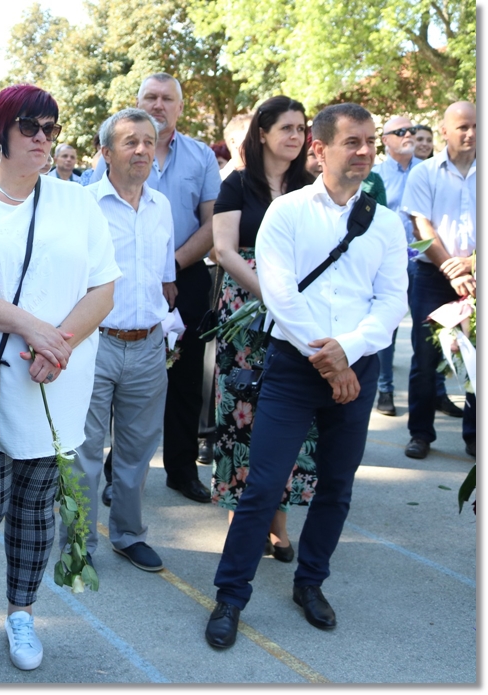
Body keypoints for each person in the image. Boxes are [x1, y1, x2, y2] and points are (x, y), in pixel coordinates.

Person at [0, 83, 119, 672]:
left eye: (51, 128)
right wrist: (33, 326)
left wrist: (58, 344)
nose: (42, 138)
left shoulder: (76, 202)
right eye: (29, 126)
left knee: (36, 512)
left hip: (54, 381)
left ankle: (21, 613)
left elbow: (103, 288)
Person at [205, 103, 408, 649]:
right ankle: (230, 596)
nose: (365, 151)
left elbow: (392, 301)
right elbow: (280, 294)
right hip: (296, 366)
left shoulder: (386, 222)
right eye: (352, 142)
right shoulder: (287, 212)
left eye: (370, 141)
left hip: (355, 366)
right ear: (320, 150)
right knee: (264, 484)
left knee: (337, 486)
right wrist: (328, 356)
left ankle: (310, 582)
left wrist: (349, 351)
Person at [209, 95, 317, 564]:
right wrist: (269, 294)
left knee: (291, 413)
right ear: (263, 133)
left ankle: (279, 520)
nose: (295, 136)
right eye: (286, 128)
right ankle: (243, 517)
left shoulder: (310, 186)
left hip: (297, 310)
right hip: (247, 309)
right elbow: (224, 250)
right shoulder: (237, 184)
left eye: (301, 128)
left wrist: (289, 302)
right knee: (242, 413)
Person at [73, 108, 173, 573]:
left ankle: (129, 535)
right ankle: (79, 546)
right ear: (105, 152)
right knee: (85, 453)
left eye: (149, 141)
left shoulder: (162, 206)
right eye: (130, 141)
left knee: (136, 452)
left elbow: (163, 278)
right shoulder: (82, 206)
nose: (142, 150)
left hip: (149, 345)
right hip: (95, 343)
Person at [136, 72, 222, 504]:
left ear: (180, 107)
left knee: (186, 379)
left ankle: (182, 470)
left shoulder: (201, 156)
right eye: (150, 97)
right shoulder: (116, 150)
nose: (158, 105)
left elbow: (213, 223)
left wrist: (171, 265)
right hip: (131, 277)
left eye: (167, 98)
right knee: (130, 376)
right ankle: (121, 471)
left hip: (184, 274)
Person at [401, 101, 477, 459]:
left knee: (478, 358)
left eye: (476, 125)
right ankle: (420, 433)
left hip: (477, 274)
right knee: (426, 358)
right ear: (444, 130)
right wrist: (451, 267)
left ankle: (476, 436)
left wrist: (472, 264)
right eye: (463, 127)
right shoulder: (425, 173)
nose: (471, 133)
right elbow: (421, 227)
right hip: (431, 275)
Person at [371, 116, 452, 418]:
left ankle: (439, 393)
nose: (410, 135)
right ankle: (385, 390)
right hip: (388, 263)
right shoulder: (375, 175)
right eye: (401, 131)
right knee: (386, 328)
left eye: (413, 130)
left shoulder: (428, 172)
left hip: (424, 262)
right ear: (385, 140)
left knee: (433, 331)